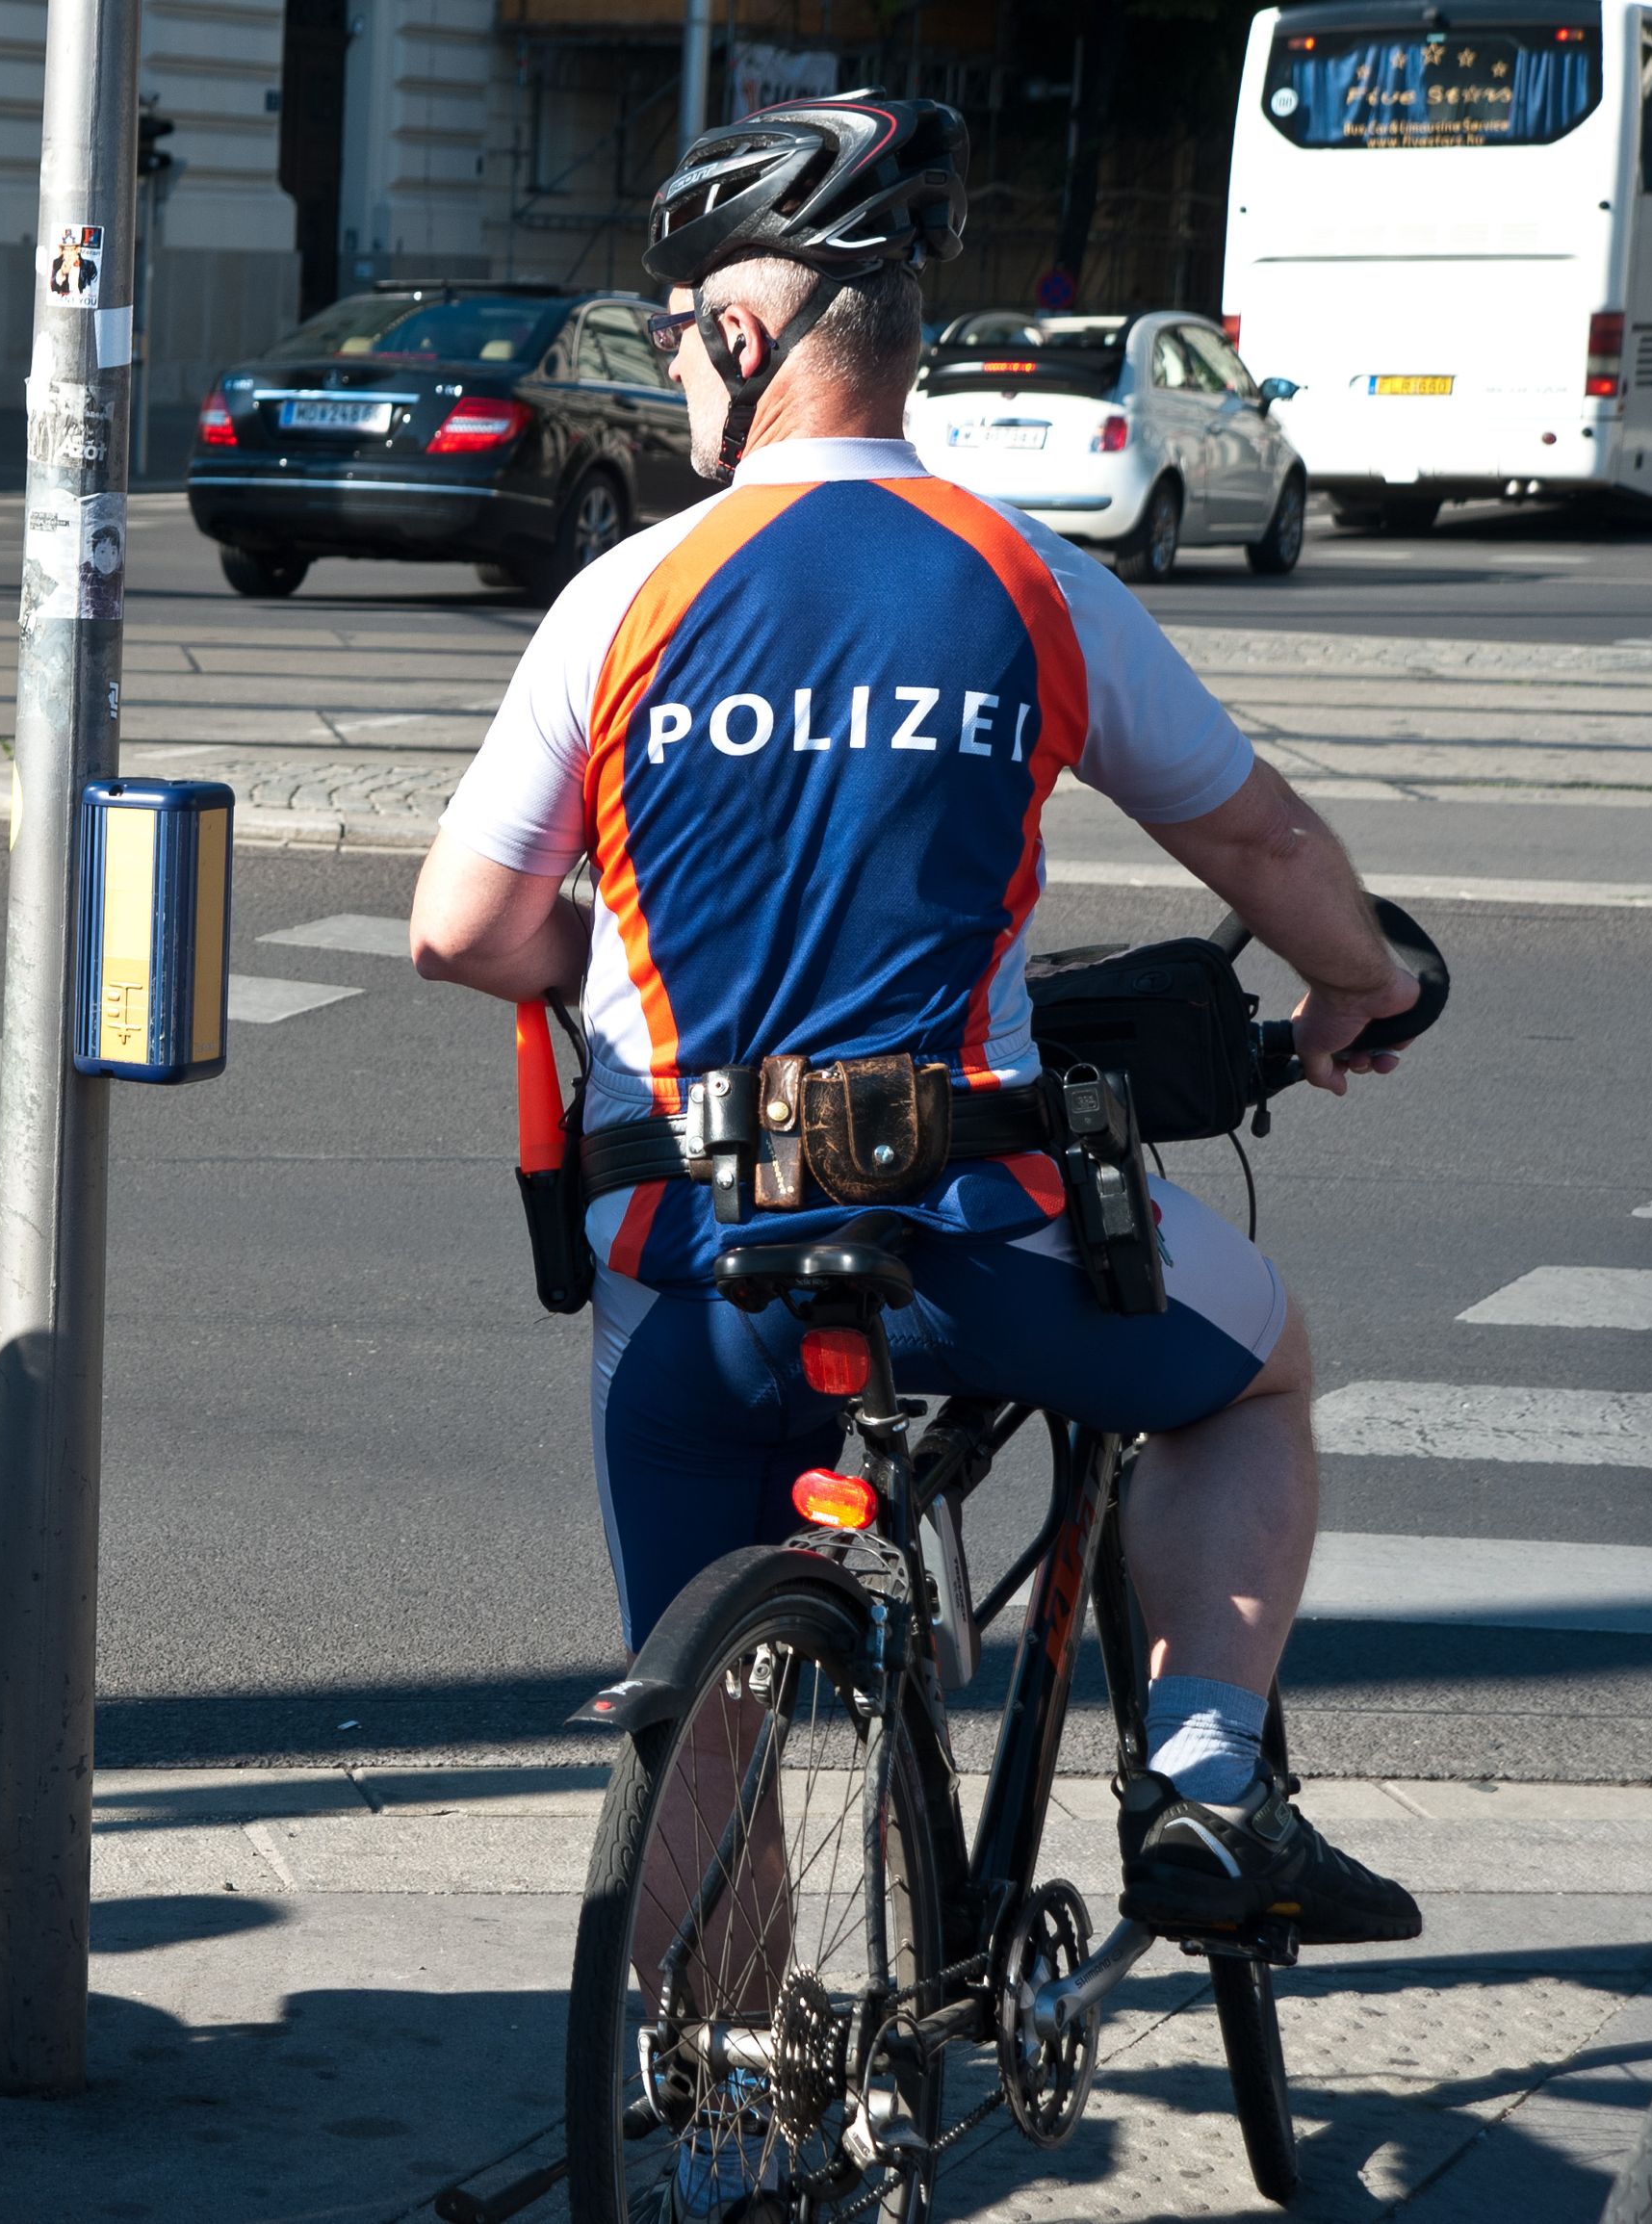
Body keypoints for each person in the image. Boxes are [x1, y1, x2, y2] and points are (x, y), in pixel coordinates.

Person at [408, 93, 1428, 1947]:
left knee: (696, 1692)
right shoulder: (1024, 575)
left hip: (687, 1256)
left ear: (741, 338)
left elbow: (463, 929)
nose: (664, 370)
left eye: (668, 335)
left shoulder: (620, 595)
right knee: (1259, 1373)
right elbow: (1255, 832)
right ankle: (1203, 1786)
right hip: (968, 1238)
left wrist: (602, 973)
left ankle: (722, 2085)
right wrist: (1361, 982)